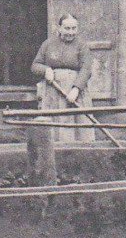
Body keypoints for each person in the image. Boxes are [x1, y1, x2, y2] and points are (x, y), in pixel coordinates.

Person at [31, 13, 94, 142]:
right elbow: (35, 65)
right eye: (67, 28)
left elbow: (86, 69)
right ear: (59, 28)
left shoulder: (82, 45)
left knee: (80, 127)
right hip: (53, 93)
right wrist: (46, 70)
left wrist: (76, 89)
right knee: (55, 127)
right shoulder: (48, 44)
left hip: (75, 92)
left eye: (74, 28)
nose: (71, 32)